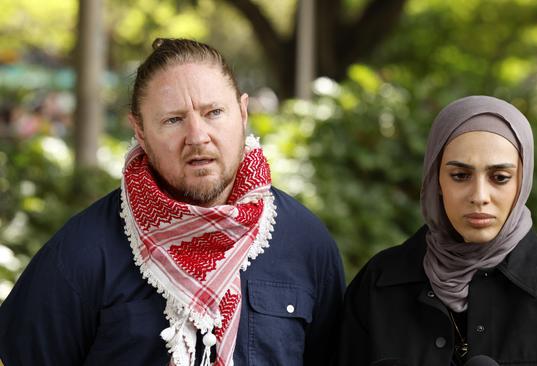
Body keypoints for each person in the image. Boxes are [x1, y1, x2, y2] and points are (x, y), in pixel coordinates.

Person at [0, 38, 345, 366]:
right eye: (173, 120)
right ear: (140, 132)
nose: (197, 137)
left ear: (243, 112)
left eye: (214, 112)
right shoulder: (82, 252)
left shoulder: (305, 243)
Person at [337, 96, 537, 365]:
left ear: (522, 182)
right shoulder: (380, 285)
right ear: (435, 181)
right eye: (460, 175)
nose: (479, 195)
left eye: (499, 177)